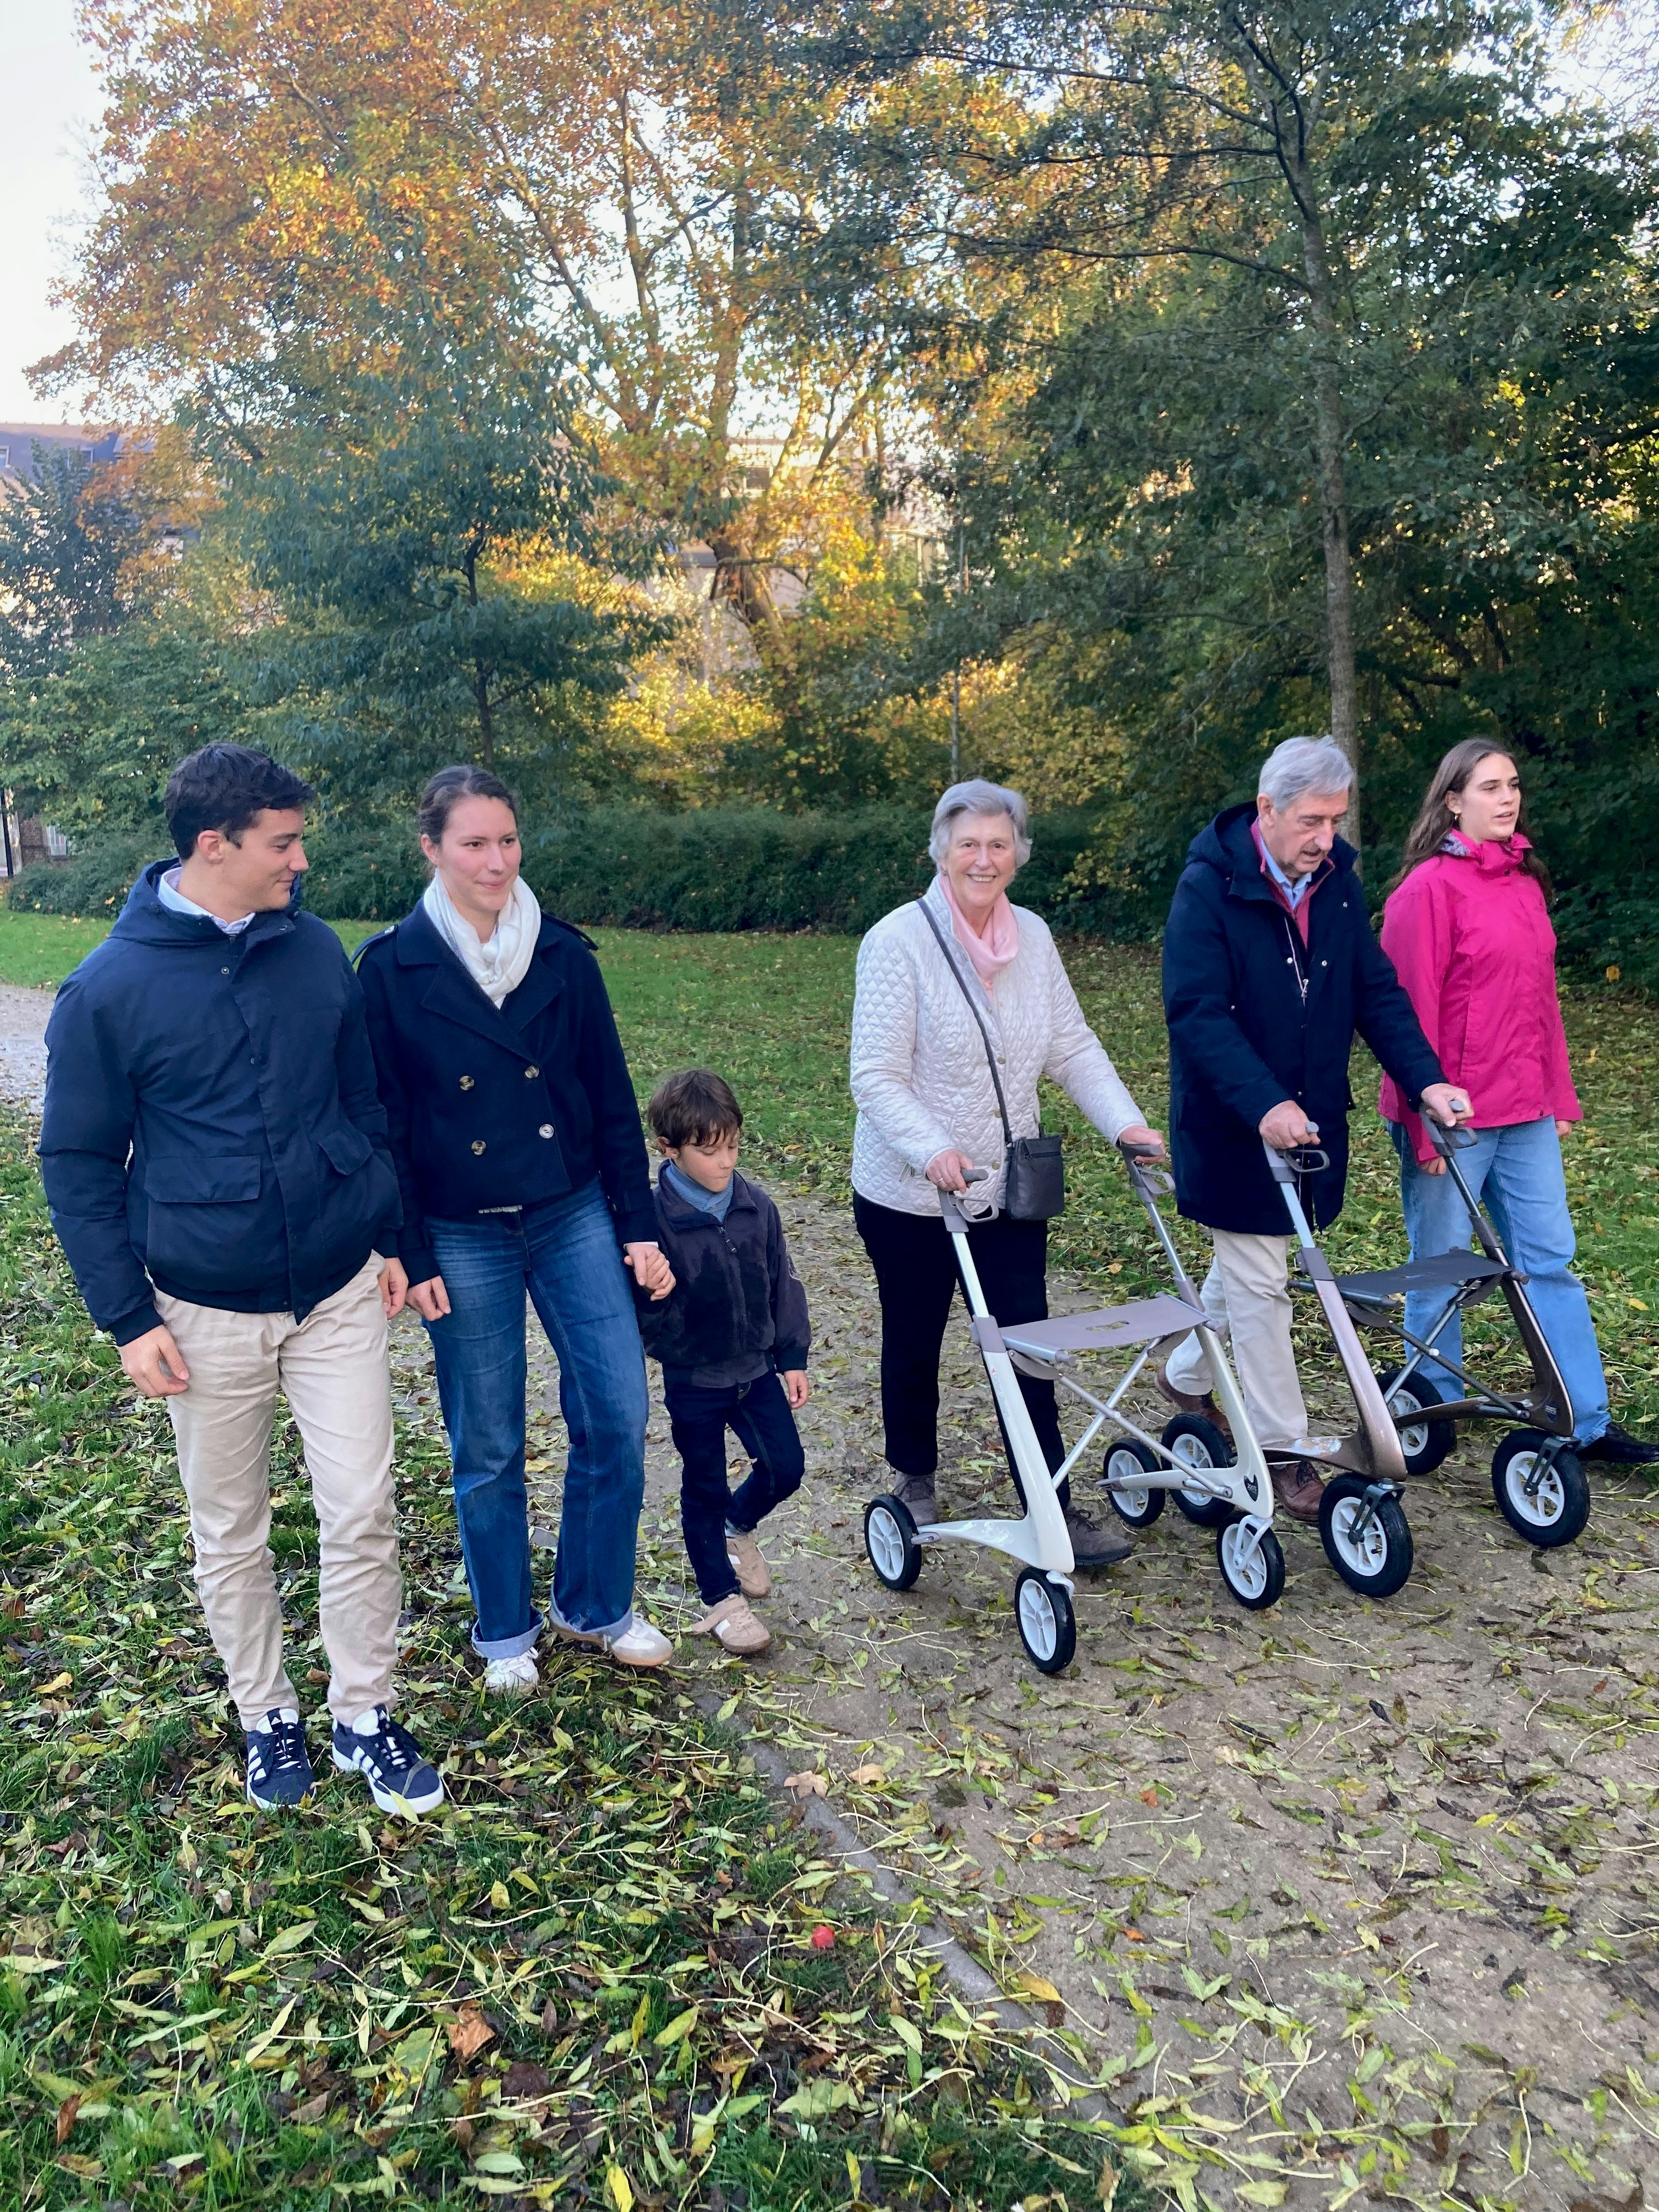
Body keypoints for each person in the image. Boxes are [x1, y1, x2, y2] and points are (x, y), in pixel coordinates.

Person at [39, 744, 444, 1818]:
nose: (301, 861)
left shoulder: (314, 951)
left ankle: (364, 1712)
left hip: (339, 1287)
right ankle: (269, 1714)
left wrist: (387, 1227)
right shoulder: (108, 990)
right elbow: (76, 1164)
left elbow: (362, 1098)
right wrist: (127, 1319)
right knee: (233, 1529)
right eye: (284, 842)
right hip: (201, 1305)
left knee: (361, 1510)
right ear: (212, 845)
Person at [357, 765, 676, 1692]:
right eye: (473, 843)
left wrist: (639, 1225)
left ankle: (593, 1602)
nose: (495, 860)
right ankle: (503, 1625)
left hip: (570, 1208)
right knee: (487, 1439)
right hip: (461, 1229)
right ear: (431, 848)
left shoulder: (564, 957)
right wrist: (408, 1250)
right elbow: (382, 1122)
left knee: (616, 1411)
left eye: (506, 840)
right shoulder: (390, 969)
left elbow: (613, 1103)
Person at [849, 778, 1161, 1565]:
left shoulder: (1033, 937)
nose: (984, 860)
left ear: (1019, 853)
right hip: (912, 1194)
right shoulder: (898, 941)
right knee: (916, 1338)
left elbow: (1072, 1046)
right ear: (939, 853)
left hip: (1013, 1187)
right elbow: (875, 1075)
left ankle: (1050, 1501)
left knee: (1027, 1344)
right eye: (968, 845)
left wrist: (1126, 1124)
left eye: (999, 844)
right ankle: (914, 1479)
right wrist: (932, 1149)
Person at [1161, 735, 1472, 1519]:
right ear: (1267, 809)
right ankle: (1284, 1447)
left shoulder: (1335, 885)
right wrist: (1263, 1102)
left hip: (1312, 1126)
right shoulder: (1208, 889)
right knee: (1263, 1282)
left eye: (1335, 820)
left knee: (1250, 1269)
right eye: (1310, 820)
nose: (1325, 837)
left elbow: (1375, 990)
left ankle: (1186, 1376)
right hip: (1234, 1126)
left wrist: (1427, 1079)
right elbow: (1196, 1014)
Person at [1379, 741, 1657, 1464]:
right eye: (1491, 787)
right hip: (1453, 1123)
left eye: (1514, 786)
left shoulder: (1524, 884)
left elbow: (1541, 1005)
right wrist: (1420, 1125)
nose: (1508, 799)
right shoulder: (1426, 891)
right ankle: (1430, 1406)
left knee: (1548, 1262)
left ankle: (1582, 1420)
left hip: (1526, 1112)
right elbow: (1405, 1017)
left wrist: (1557, 1095)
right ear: (1453, 801)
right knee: (1442, 1265)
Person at [638, 1068, 811, 1656]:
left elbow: (782, 1283)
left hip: (756, 1370)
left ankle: (739, 1529)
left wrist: (791, 1356)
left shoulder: (755, 1206)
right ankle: (722, 1599)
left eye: (733, 1146)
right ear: (670, 1148)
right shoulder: (651, 1219)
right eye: (709, 1151)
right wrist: (654, 1299)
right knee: (704, 1486)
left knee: (786, 1468)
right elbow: (636, 1306)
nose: (725, 1161)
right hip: (695, 1380)